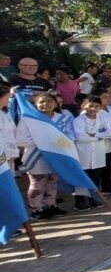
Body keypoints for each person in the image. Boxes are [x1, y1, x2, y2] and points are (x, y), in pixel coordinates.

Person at [15, 91, 70, 220]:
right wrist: (43, 142)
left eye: (49, 101)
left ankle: (50, 205)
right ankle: (37, 208)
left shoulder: (63, 119)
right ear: (35, 104)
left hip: (57, 156)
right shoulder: (29, 119)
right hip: (36, 156)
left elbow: (69, 135)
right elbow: (21, 139)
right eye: (41, 102)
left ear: (56, 103)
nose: (45, 104)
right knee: (37, 184)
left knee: (53, 182)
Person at [72, 95, 111, 211]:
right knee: (82, 178)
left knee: (95, 177)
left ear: (100, 107)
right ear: (83, 106)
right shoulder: (78, 120)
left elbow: (110, 133)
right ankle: (80, 201)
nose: (93, 109)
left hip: (98, 153)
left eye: (96, 106)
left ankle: (94, 198)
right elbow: (80, 137)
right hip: (83, 153)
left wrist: (94, 135)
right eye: (90, 106)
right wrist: (99, 136)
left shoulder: (103, 118)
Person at [0, 85, 19, 176]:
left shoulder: (5, 113)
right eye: (7, 97)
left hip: (9, 153)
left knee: (10, 178)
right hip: (1, 155)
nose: (9, 99)